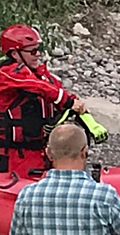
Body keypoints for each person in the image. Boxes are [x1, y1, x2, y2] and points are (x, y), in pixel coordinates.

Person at [0, 24, 87, 177]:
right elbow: (37, 86)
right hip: (13, 156)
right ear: (15, 54)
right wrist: (67, 101)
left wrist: (73, 102)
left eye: (38, 50)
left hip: (40, 153)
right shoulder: (6, 74)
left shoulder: (40, 75)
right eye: (32, 51)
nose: (38, 55)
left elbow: (53, 88)